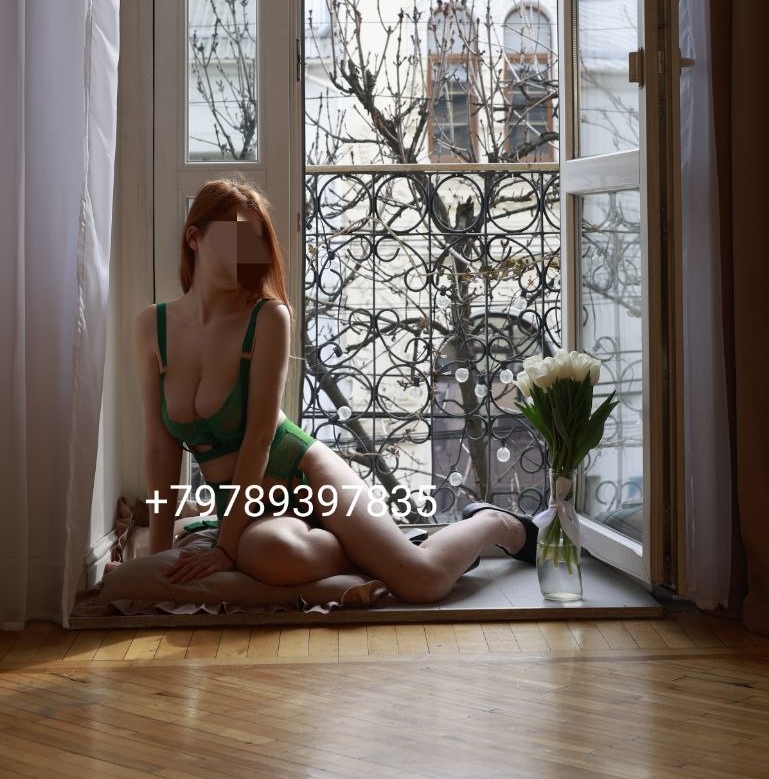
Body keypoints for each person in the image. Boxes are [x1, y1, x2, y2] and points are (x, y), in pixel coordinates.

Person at [133, 174, 537, 604]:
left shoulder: (267, 317)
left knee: (423, 581)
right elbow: (161, 450)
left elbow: (259, 439)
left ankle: (495, 523)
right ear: (194, 238)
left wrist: (224, 547)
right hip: (251, 512)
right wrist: (158, 557)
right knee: (268, 553)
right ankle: (366, 554)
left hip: (303, 474)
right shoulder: (153, 327)